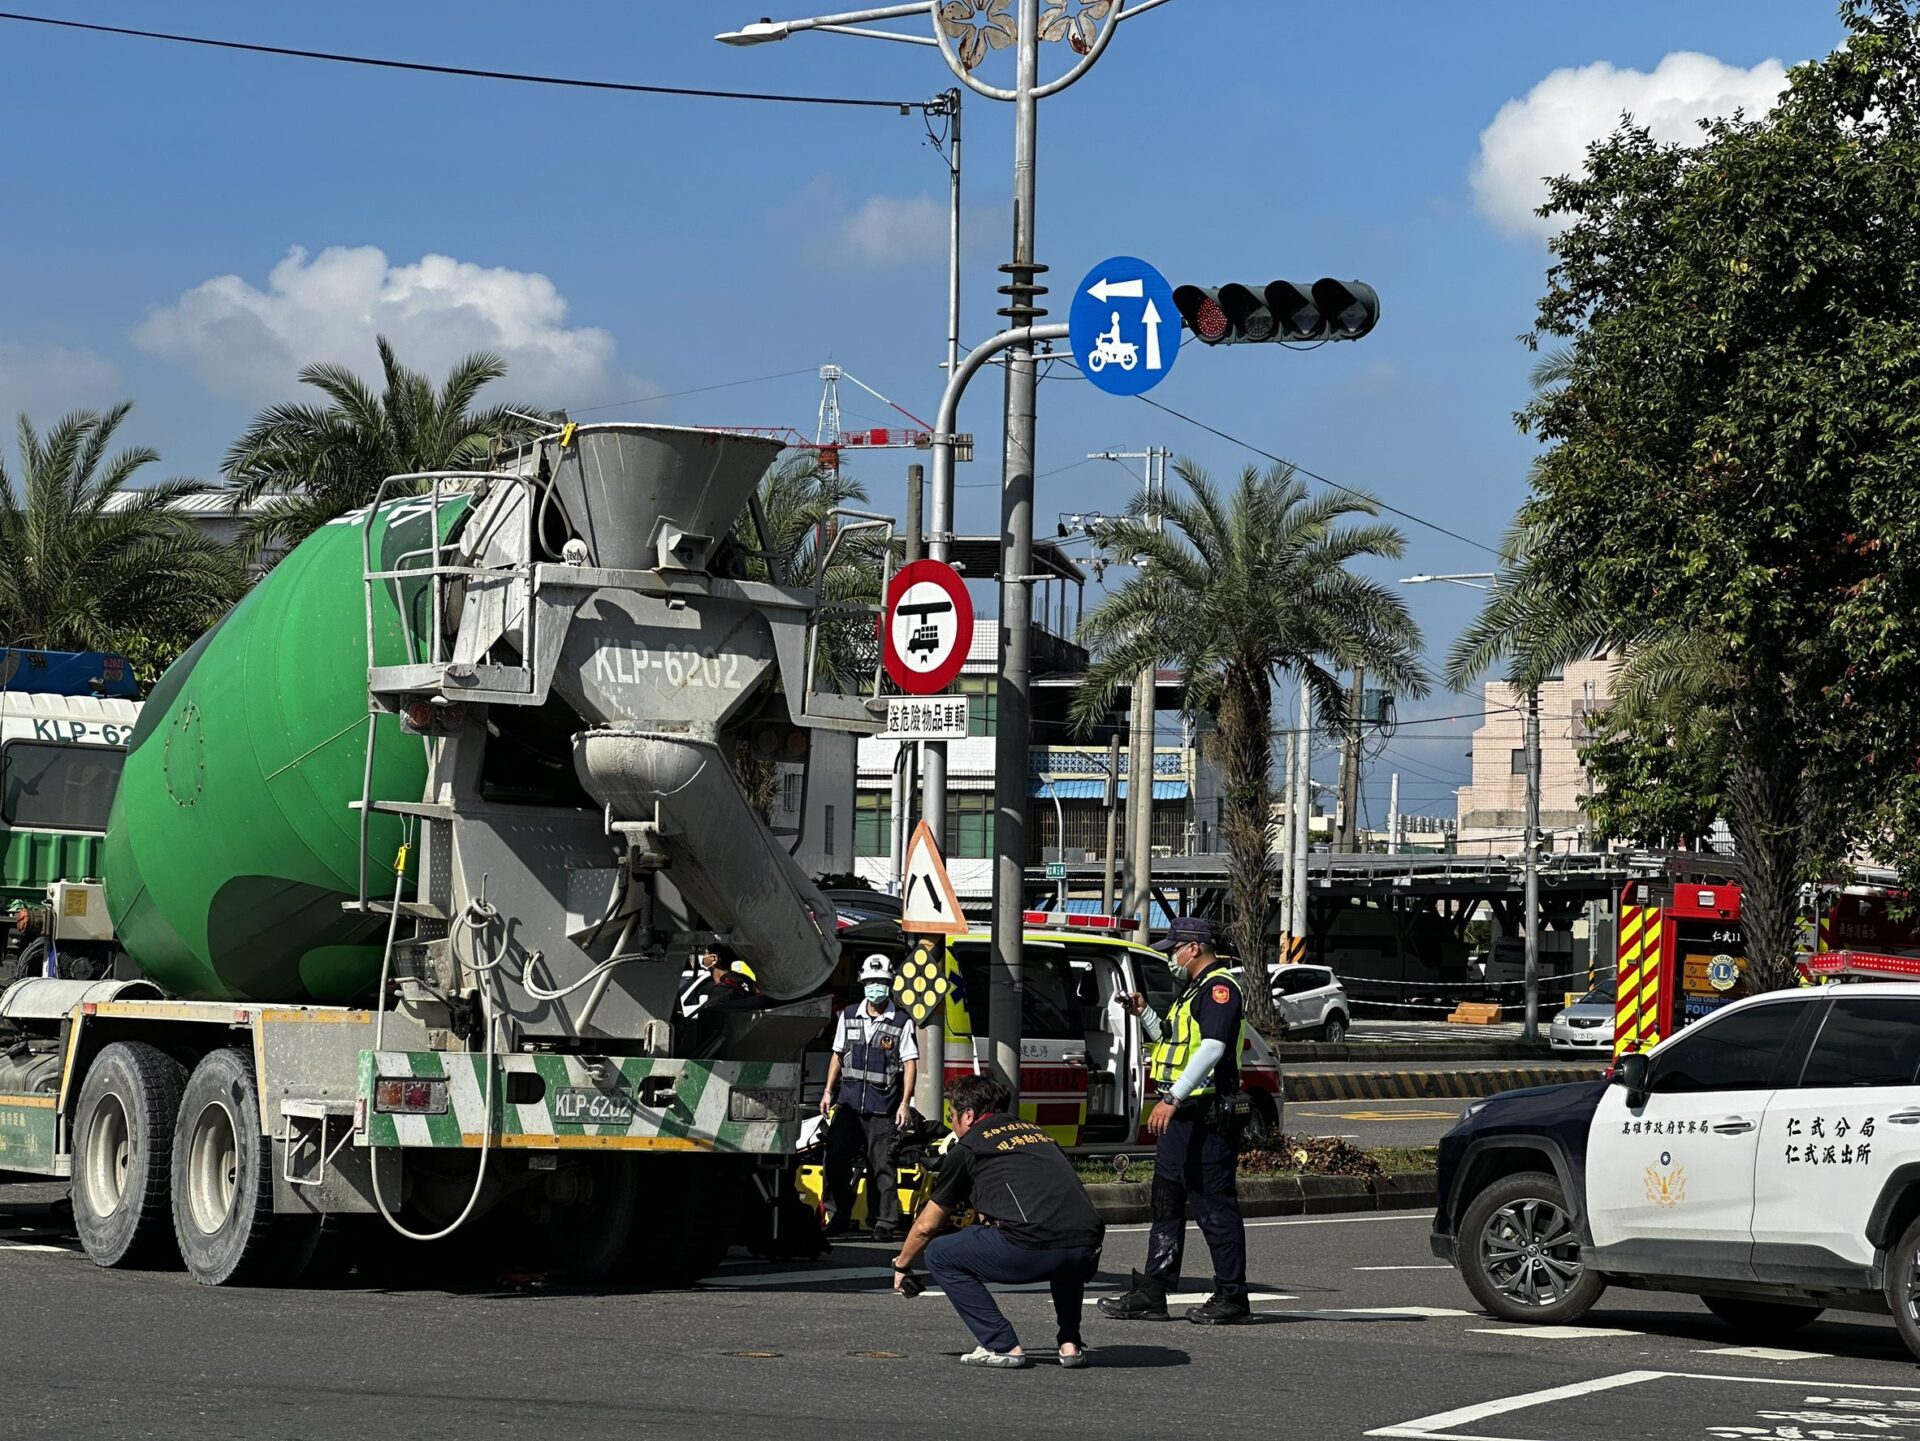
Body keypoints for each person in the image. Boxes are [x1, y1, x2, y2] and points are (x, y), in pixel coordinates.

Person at [891, 1073, 1104, 1369]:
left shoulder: (969, 1147)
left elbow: (927, 1225)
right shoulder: (1039, 1134)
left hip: (1031, 1249)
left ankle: (1002, 1345)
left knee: (940, 1254)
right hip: (1088, 1247)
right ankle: (1070, 1344)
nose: (952, 1125)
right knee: (1061, 1238)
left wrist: (902, 1265)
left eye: (952, 1117)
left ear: (968, 1115)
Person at [1099, 915, 1252, 1325]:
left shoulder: (1219, 989)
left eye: (1175, 950)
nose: (1172, 957)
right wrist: (1145, 1013)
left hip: (1206, 1116)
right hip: (1183, 1118)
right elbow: (1170, 1039)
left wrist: (1172, 1097)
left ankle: (1233, 1296)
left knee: (1213, 1206)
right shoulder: (1193, 990)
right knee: (1165, 1201)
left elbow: (1213, 1048)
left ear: (1194, 948)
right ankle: (1154, 1291)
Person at [820, 954, 919, 1240]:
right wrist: (828, 1091)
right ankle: (839, 1215)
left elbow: (910, 1063)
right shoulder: (849, 1015)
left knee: (882, 1167)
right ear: (863, 983)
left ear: (890, 984)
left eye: (881, 981)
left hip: (883, 1107)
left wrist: (905, 1104)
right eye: (871, 981)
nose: (876, 986)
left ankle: (884, 1222)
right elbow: (838, 1055)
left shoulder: (901, 1021)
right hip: (849, 1105)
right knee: (835, 1160)